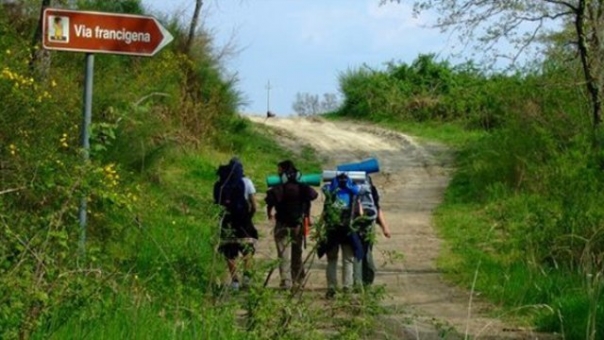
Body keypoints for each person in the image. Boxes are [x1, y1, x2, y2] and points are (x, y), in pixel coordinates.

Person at [265, 160, 318, 289]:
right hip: (297, 225)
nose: (277, 172)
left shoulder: (280, 187)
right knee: (296, 253)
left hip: (282, 224)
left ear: (283, 171)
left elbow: (269, 199)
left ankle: (286, 282)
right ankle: (298, 280)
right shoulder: (301, 187)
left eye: (279, 170)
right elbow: (313, 196)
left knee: (283, 254)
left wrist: (269, 212)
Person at [213, 157, 258, 291]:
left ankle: (235, 282)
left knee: (229, 252)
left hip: (227, 221)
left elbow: (217, 203)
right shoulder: (246, 182)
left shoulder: (220, 184)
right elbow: (254, 205)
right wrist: (249, 217)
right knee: (247, 250)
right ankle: (247, 278)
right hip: (243, 221)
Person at [318, 173, 365, 299]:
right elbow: (360, 213)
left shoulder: (331, 192)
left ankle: (332, 288)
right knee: (348, 260)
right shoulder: (353, 192)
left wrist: (319, 228)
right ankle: (347, 288)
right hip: (348, 231)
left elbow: (325, 212)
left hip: (332, 231)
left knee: (332, 260)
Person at [353, 175, 391, 288]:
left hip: (354, 222)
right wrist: (385, 227)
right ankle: (367, 281)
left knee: (356, 252)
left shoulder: (350, 187)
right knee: (367, 251)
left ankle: (357, 283)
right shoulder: (371, 188)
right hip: (369, 222)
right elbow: (377, 208)